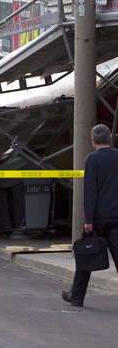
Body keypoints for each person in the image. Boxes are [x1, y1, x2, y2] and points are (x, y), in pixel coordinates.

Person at [62, 124, 118, 308]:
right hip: (116, 216)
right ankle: (75, 295)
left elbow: (90, 191)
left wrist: (89, 220)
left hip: (98, 218)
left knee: (86, 255)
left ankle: (77, 296)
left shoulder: (92, 159)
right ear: (109, 139)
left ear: (93, 141)